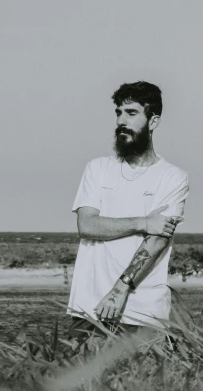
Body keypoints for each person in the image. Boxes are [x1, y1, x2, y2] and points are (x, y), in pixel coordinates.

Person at [67, 81, 190, 342]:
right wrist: (143, 222)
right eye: (118, 113)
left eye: (132, 113)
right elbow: (87, 226)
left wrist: (120, 290)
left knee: (144, 383)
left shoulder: (172, 177)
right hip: (89, 307)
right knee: (79, 381)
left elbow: (157, 239)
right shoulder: (97, 169)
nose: (122, 120)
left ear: (153, 121)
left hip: (143, 312)